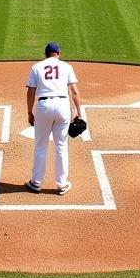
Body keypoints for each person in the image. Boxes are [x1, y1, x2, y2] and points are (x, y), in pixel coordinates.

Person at [25, 41, 82, 196]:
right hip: (63, 106)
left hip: (44, 106)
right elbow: (74, 92)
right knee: (61, 146)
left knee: (41, 145)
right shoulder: (67, 67)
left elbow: (31, 91)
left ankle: (36, 182)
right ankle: (62, 184)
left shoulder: (36, 67)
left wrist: (30, 112)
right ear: (58, 53)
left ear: (46, 54)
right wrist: (78, 113)